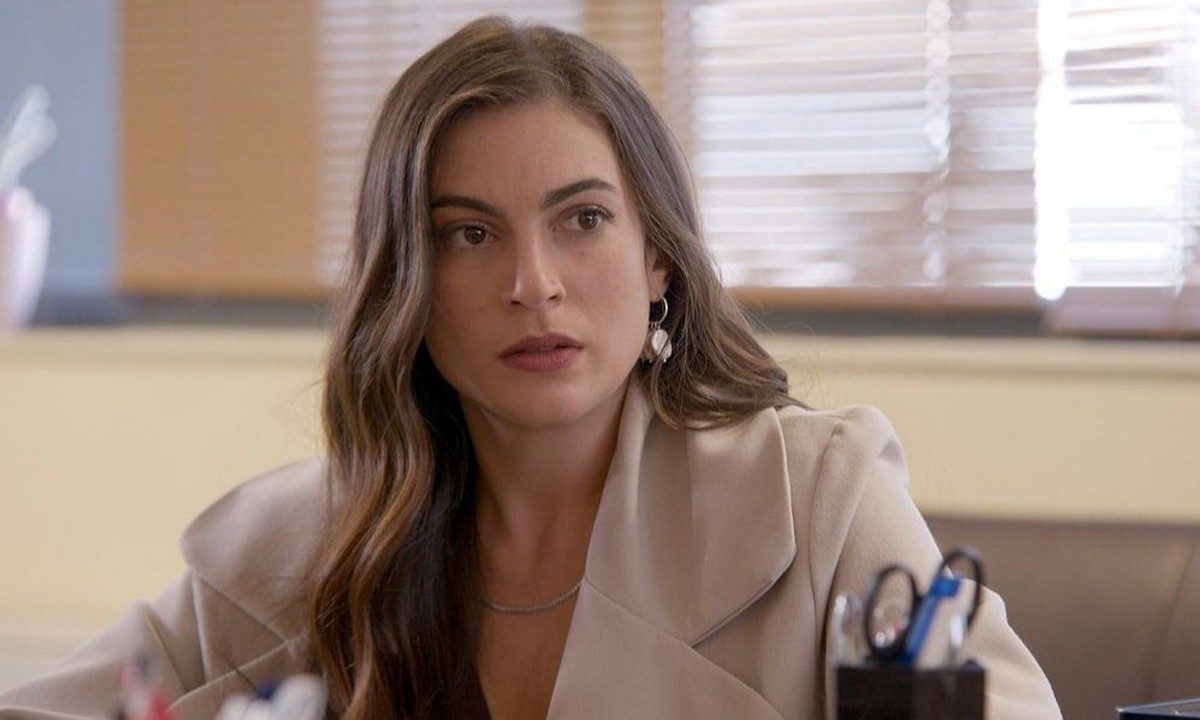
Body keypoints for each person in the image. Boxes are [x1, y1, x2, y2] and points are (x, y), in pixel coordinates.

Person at [0, 14, 1062, 720]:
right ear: (407, 284)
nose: (534, 284)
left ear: (657, 258)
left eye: (583, 219)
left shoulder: (815, 499)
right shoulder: (294, 547)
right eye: (469, 235)